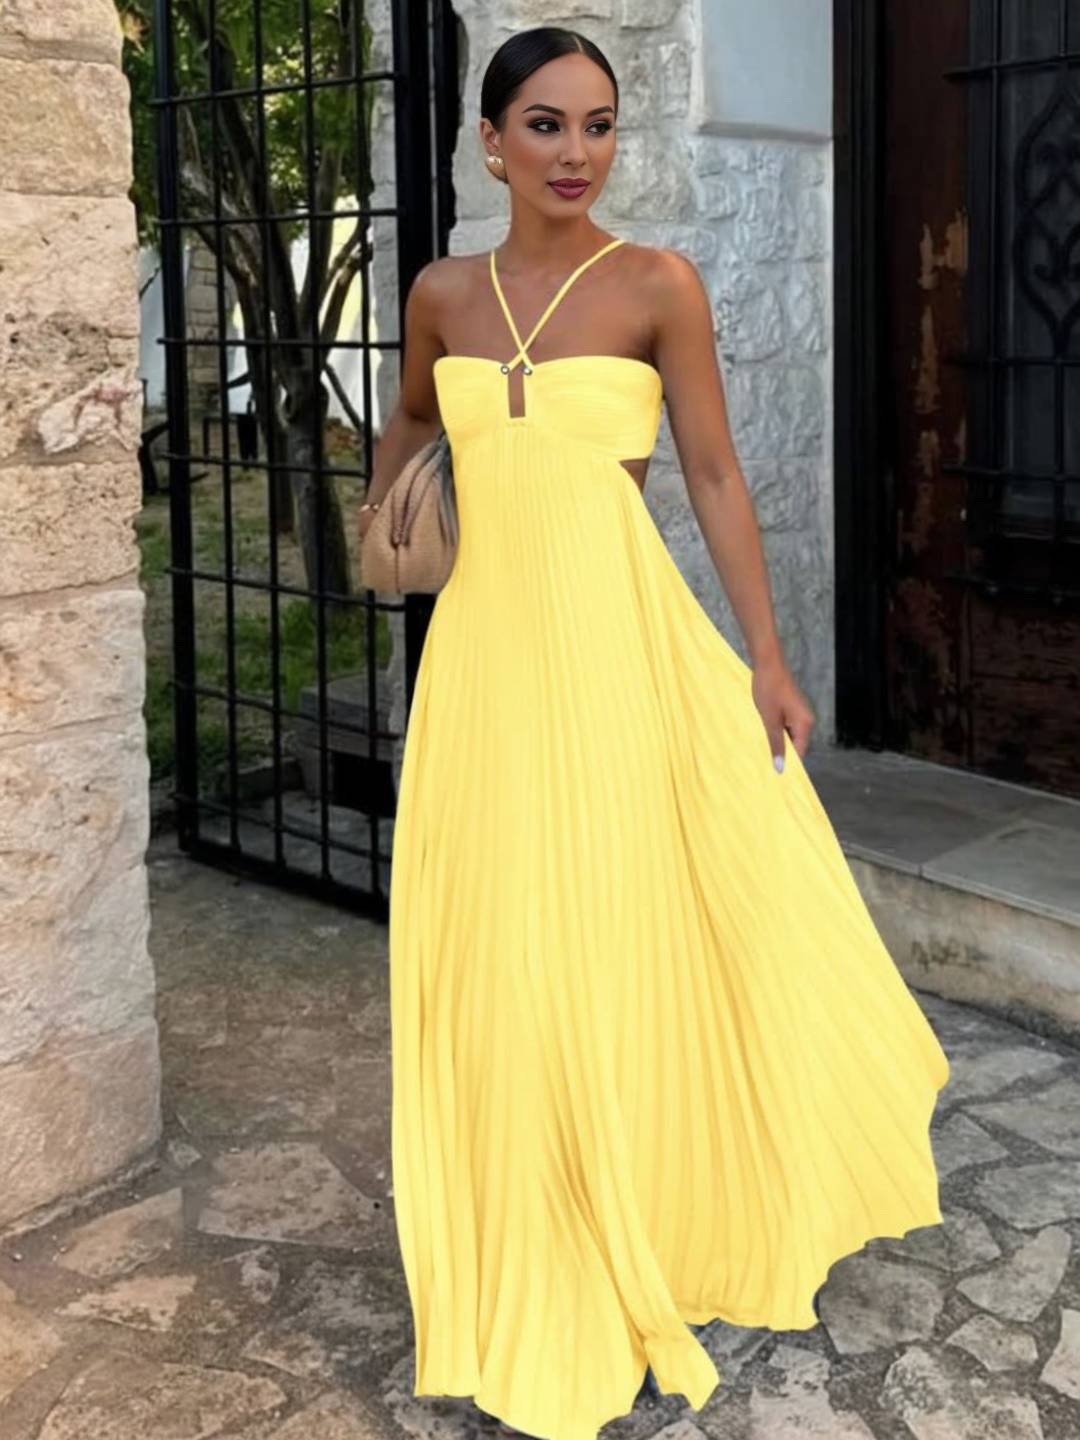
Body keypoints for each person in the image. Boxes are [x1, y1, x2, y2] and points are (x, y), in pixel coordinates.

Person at [361, 25, 950, 1440]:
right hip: (483, 667)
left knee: (613, 932)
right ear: (490, 141)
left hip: (618, 653)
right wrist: (389, 528)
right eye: (546, 123)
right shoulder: (440, 292)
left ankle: (642, 1203)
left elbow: (715, 475)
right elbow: (406, 427)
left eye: (600, 125)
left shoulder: (656, 284)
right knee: (496, 949)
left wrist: (768, 659)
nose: (577, 152)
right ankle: (523, 1228)